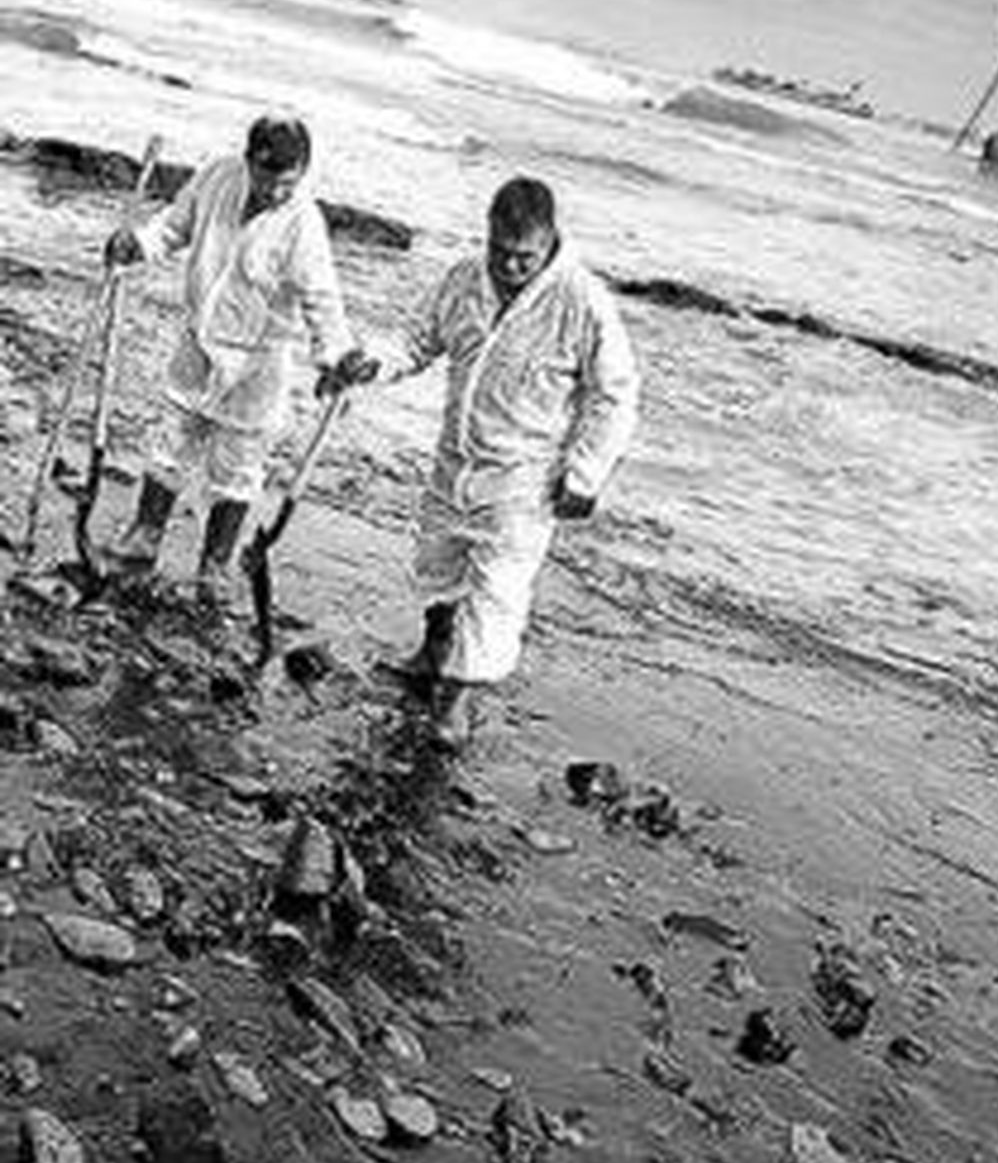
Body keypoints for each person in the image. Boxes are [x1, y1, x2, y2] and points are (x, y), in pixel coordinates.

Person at [373, 175, 640, 750]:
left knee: (497, 590)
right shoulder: (464, 280)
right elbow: (417, 341)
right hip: (456, 458)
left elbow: (614, 395)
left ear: (549, 242)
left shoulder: (583, 301)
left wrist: (586, 473)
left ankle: (457, 701)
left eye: (524, 257)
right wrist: (372, 363)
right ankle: (433, 653)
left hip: (526, 476)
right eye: (500, 251)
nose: (510, 266)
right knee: (437, 561)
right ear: (488, 233)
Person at [103, 114, 372, 594]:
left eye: (288, 183)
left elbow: (322, 301)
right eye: (268, 179)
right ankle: (144, 534)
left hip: (258, 363)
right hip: (199, 339)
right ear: (250, 161)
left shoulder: (304, 224)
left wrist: (336, 358)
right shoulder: (217, 177)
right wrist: (137, 244)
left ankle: (215, 563)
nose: (276, 192)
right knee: (170, 441)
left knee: (239, 466)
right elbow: (173, 227)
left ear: (302, 173)